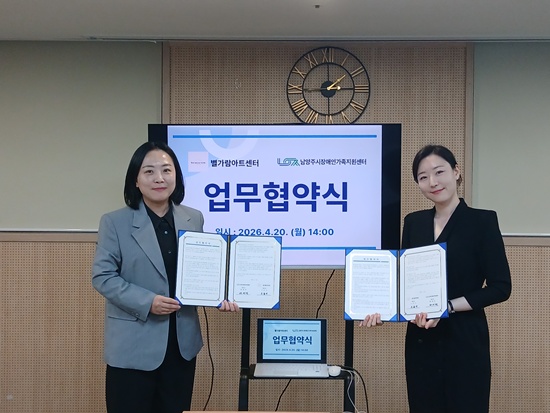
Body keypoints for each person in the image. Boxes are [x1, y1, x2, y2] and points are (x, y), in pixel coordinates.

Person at [360, 144, 512, 413]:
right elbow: (404, 282)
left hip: (465, 341)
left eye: (439, 172)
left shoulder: (482, 222)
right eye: (423, 177)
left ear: (456, 172)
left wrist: (447, 307)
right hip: (422, 342)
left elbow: (501, 287)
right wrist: (382, 310)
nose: (432, 182)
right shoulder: (414, 223)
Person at [92, 141, 239, 413]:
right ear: (135, 180)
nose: (159, 178)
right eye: (149, 171)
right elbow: (103, 276)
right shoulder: (114, 222)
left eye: (166, 170)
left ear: (176, 176)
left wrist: (221, 295)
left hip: (181, 345)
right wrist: (147, 302)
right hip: (133, 346)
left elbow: (201, 271)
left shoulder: (194, 218)